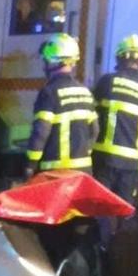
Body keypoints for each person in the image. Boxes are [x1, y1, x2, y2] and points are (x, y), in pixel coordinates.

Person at [92, 34, 138, 204]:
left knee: (100, 209)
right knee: (123, 211)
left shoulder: (108, 81)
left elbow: (91, 116)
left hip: (105, 159)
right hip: (131, 163)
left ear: (119, 57)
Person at [26, 33, 98, 175]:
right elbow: (94, 131)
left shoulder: (49, 92)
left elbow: (41, 132)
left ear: (53, 62)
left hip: (56, 172)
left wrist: (30, 164)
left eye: (46, 61)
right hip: (83, 173)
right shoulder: (85, 92)